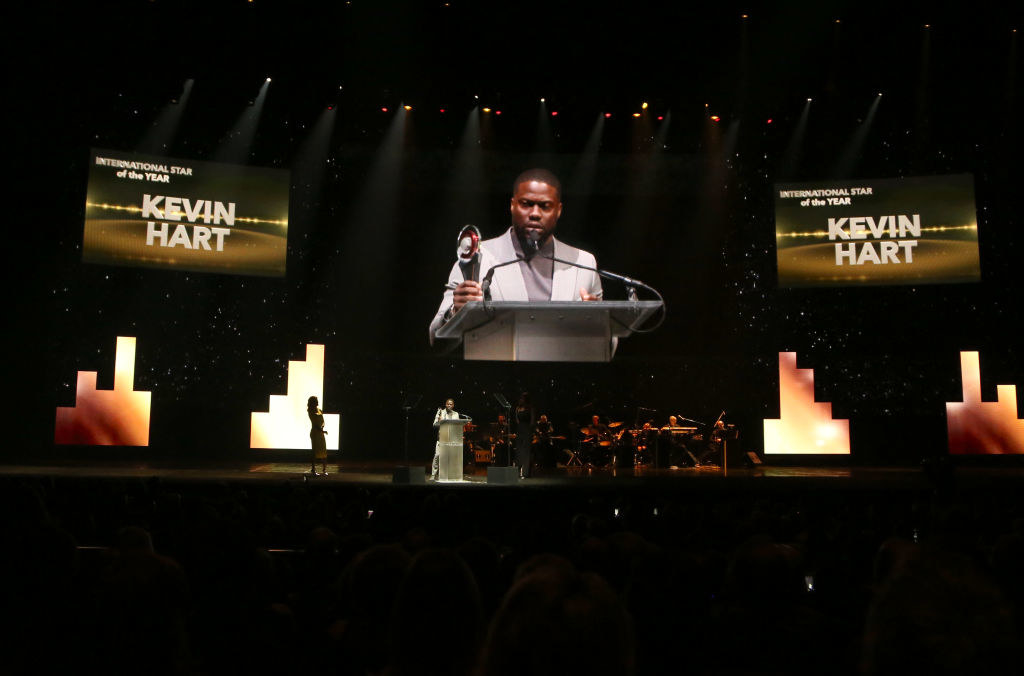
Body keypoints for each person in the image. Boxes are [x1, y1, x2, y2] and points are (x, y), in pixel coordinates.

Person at [429, 168, 603, 344]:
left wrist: (597, 323)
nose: (535, 213)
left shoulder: (583, 262)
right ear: (512, 205)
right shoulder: (477, 257)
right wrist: (455, 312)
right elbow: (435, 335)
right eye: (526, 204)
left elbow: (608, 345)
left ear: (558, 210)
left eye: (545, 206)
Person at [432, 398, 460, 480]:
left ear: (453, 405)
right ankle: (433, 474)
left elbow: (457, 426)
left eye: (451, 404)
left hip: (451, 439)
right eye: (448, 404)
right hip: (441, 439)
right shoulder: (440, 412)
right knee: (437, 455)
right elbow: (434, 425)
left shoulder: (456, 414)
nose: (449, 405)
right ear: (445, 404)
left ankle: (450, 475)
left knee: (450, 457)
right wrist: (440, 422)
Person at [514, 393, 537, 478]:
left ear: (525, 399)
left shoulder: (530, 408)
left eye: (522, 398)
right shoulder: (517, 408)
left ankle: (525, 473)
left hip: (527, 430)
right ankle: (517, 472)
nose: (520, 400)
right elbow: (517, 420)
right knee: (519, 451)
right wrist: (520, 429)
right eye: (520, 398)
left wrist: (530, 432)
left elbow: (532, 421)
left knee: (526, 451)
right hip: (520, 430)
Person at [307, 395, 328, 476]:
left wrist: (322, 428)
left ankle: (324, 469)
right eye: (316, 400)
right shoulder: (310, 411)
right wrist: (321, 430)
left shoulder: (320, 410)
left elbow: (322, 421)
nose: (317, 401)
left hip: (320, 433)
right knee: (315, 451)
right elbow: (315, 423)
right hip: (315, 433)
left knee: (323, 451)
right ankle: (313, 469)